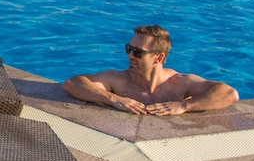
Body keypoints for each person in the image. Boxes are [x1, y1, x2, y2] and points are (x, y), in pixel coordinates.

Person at [63, 25, 239, 116]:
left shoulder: (179, 83)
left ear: (158, 58)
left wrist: (183, 106)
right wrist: (114, 99)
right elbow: (72, 83)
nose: (130, 55)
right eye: (129, 49)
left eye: (138, 52)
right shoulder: (118, 80)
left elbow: (229, 93)